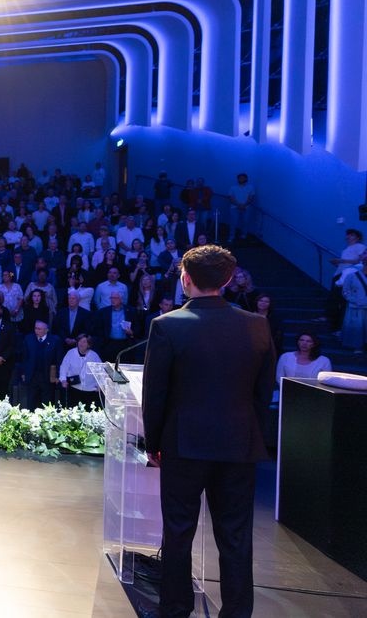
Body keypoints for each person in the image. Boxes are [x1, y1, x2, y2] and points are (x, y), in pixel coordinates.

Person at [142, 245, 275, 617]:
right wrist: (250, 433)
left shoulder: (166, 325)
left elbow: (155, 394)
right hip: (238, 444)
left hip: (183, 446)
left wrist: (153, 444)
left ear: (185, 278)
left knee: (178, 532)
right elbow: (263, 392)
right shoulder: (257, 324)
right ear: (228, 280)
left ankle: (175, 609)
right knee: (236, 535)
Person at [20, 320, 61, 408]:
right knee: (31, 402)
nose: (36, 331)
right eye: (35, 328)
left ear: (46, 330)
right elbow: (24, 357)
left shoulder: (55, 340)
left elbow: (58, 359)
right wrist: (23, 373)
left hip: (47, 376)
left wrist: (58, 375)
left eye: (39, 329)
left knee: (46, 403)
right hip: (32, 376)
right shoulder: (28, 339)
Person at [58, 334, 102, 408]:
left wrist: (99, 385)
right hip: (74, 388)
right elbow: (64, 367)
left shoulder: (94, 356)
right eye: (80, 341)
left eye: (84, 342)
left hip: (90, 390)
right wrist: (63, 380)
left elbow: (100, 372)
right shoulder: (71, 353)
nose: (81, 343)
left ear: (88, 344)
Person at [341, 253, 367, 353]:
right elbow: (345, 291)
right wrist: (354, 299)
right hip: (356, 306)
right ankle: (357, 346)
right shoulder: (352, 276)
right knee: (357, 327)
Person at [227, 172, 255, 243]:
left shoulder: (250, 187)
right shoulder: (233, 187)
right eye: (239, 178)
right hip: (234, 208)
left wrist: (244, 205)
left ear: (246, 179)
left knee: (245, 222)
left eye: (243, 178)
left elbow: (251, 197)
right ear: (238, 179)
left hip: (246, 208)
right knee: (233, 222)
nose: (241, 179)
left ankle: (243, 236)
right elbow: (230, 197)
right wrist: (239, 205)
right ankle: (231, 236)